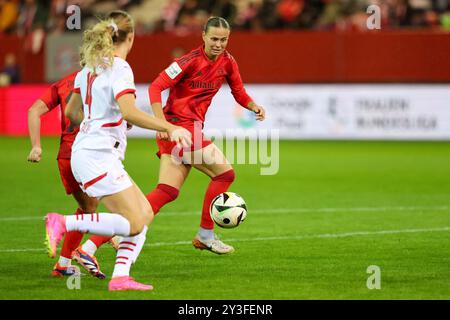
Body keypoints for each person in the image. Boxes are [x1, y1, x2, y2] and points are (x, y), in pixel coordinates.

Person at [45, 10, 191, 291]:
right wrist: (170, 128)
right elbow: (130, 111)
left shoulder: (88, 67)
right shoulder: (121, 67)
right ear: (131, 36)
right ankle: (63, 223)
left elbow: (71, 112)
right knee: (134, 223)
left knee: (145, 213)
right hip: (97, 155)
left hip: (90, 151)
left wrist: (103, 122)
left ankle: (120, 277)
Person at [146, 16, 265, 255]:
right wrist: (160, 122)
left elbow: (238, 91)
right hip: (180, 129)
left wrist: (253, 106)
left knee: (167, 191)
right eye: (214, 39)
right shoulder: (188, 61)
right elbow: (155, 87)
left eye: (224, 39)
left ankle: (121, 230)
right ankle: (205, 234)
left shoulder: (228, 62)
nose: (219, 44)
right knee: (225, 173)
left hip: (186, 130)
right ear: (203, 36)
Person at [28, 69, 121, 279]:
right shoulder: (106, 79)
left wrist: (36, 146)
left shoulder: (64, 82)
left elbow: (34, 110)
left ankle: (63, 264)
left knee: (89, 208)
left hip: (66, 157)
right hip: (90, 154)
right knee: (127, 211)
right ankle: (73, 231)